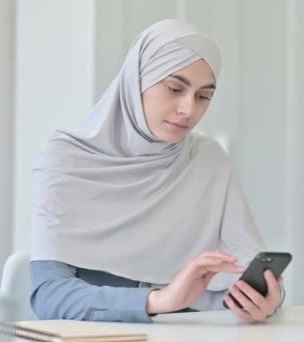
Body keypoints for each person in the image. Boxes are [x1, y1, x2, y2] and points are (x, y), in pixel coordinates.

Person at [29, 19, 283, 323]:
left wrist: (268, 298)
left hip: (188, 331)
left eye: (203, 97)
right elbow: (48, 294)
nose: (188, 109)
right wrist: (158, 300)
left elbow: (246, 271)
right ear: (137, 80)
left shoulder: (207, 160)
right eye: (175, 88)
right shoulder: (67, 158)